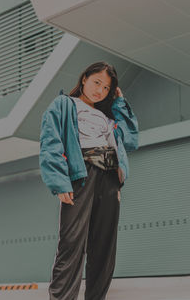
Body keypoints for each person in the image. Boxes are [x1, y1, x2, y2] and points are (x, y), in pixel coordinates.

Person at [39, 61, 139, 300]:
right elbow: (50, 142)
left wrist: (119, 102)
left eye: (106, 88)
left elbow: (131, 140)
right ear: (84, 78)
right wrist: (59, 181)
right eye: (97, 82)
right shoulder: (64, 104)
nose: (99, 90)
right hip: (81, 174)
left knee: (104, 247)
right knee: (71, 243)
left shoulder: (107, 117)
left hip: (109, 177)